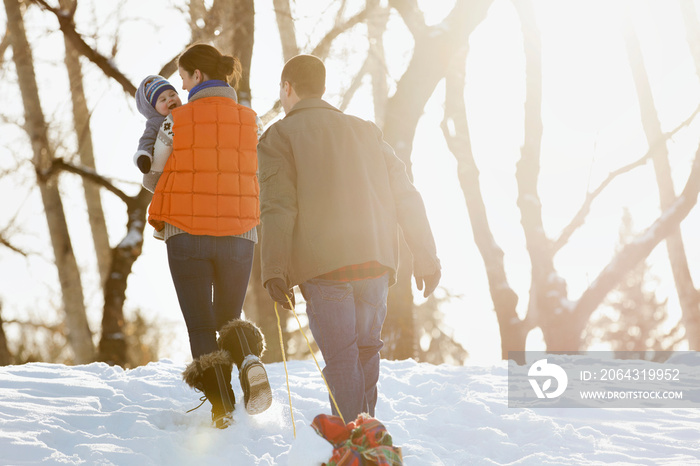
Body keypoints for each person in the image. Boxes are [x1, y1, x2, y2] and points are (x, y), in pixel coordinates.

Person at [257, 54, 441, 423]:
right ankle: (366, 437)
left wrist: (273, 269)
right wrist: (426, 257)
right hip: (375, 262)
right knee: (365, 352)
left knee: (343, 359)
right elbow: (405, 194)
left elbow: (278, 206)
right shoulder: (365, 130)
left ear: (287, 88)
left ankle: (355, 444)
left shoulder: (279, 136)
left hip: (325, 269)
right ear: (322, 88)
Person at [147, 44, 271, 429]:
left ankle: (222, 407)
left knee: (201, 324)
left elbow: (153, 173)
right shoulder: (253, 121)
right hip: (239, 232)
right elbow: (261, 172)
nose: (181, 88)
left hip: (186, 233)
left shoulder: (174, 122)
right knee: (229, 315)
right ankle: (249, 357)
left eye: (183, 78)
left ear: (197, 76)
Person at [134, 75, 182, 174]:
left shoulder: (187, 110)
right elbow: (147, 139)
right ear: (153, 109)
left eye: (172, 95)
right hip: (168, 164)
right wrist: (144, 156)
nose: (170, 99)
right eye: (163, 100)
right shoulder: (155, 123)